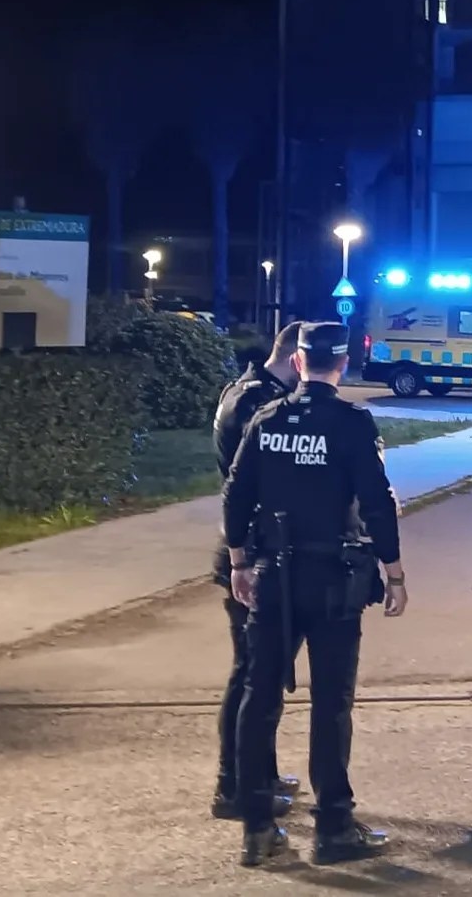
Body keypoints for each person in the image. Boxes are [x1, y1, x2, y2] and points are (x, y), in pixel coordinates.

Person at [223, 322, 410, 868]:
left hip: (274, 575)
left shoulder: (267, 418)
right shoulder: (351, 425)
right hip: (332, 580)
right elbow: (377, 503)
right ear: (342, 364)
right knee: (331, 704)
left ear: (300, 363)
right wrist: (394, 575)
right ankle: (333, 826)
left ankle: (257, 828)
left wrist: (238, 562)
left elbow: (236, 496)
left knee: (260, 698)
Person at [210, 322, 304, 823]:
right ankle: (234, 786)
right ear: (296, 360)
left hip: (258, 548)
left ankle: (259, 776)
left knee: (260, 676)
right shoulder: (254, 402)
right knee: (252, 676)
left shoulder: (252, 391)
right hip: (250, 552)